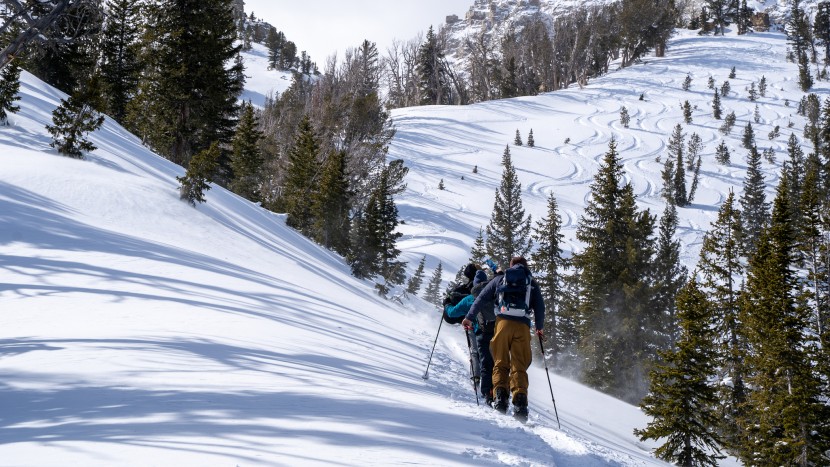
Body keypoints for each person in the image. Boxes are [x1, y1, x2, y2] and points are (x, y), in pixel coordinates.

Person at [462, 256, 545, 421]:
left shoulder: (501, 279)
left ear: (511, 266)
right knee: (519, 364)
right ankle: (520, 403)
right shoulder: (531, 283)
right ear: (525, 267)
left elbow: (481, 298)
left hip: (502, 324)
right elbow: (540, 307)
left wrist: (469, 317)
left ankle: (500, 398)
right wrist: (539, 328)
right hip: (522, 326)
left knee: (500, 362)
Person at [444, 269, 488, 387]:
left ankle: (476, 376)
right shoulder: (492, 295)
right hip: (492, 329)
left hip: (474, 329)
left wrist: (447, 304)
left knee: (475, 352)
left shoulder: (469, 299)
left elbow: (452, 313)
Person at [469, 263, 503, 406]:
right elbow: (500, 277)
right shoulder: (492, 288)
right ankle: (498, 391)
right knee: (498, 362)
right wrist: (495, 268)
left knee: (485, 362)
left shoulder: (473, 294)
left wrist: (447, 305)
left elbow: (452, 312)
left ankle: (486, 392)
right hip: (497, 331)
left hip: (482, 333)